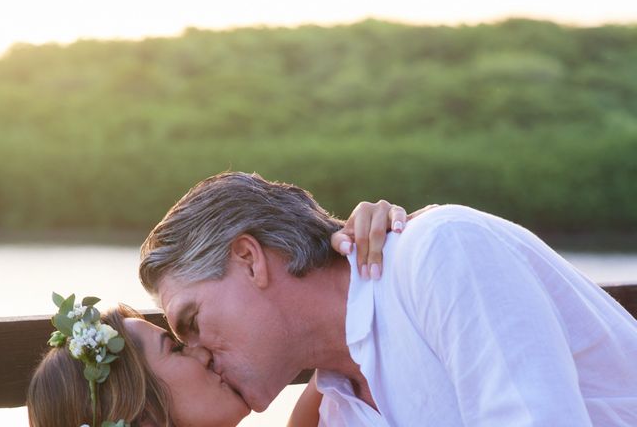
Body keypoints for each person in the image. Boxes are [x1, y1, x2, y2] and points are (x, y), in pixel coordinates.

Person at [140, 172, 637, 426]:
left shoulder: (440, 252)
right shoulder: (337, 407)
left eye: (193, 321)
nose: (201, 351)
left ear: (249, 259)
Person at [27, 198, 418, 427]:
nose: (203, 352)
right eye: (176, 346)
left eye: (190, 327)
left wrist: (402, 244)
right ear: (137, 408)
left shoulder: (322, 404)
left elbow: (337, 327)